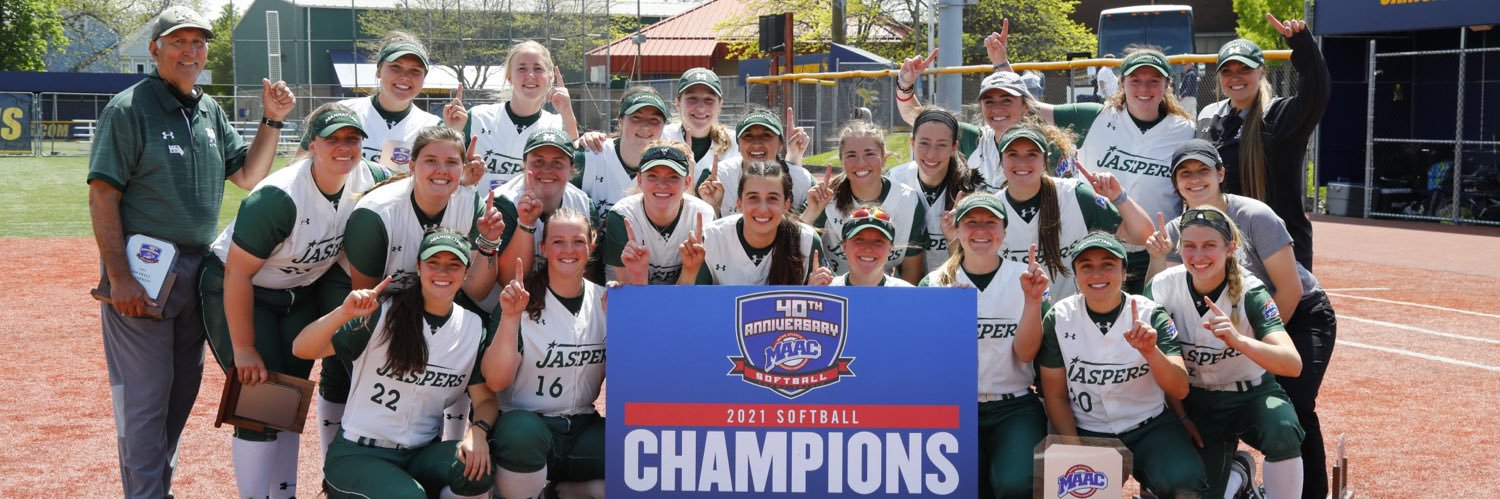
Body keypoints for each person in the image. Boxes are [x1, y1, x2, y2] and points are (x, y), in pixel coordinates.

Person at [86, 6, 292, 497]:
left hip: (196, 270)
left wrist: (271, 120)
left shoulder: (209, 111)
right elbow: (102, 195)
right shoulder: (129, 108)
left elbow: (248, 176)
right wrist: (119, 276)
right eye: (179, 41)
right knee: (145, 400)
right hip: (143, 268)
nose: (190, 51)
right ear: (156, 48)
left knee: (179, 397)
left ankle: (158, 489)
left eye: (198, 43)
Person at [199, 104, 381, 499]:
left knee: (290, 393)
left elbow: (410, 182)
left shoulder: (367, 176)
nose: (344, 148)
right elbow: (237, 273)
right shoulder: (278, 197)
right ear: (312, 145)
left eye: (352, 139)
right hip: (241, 287)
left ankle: (283, 493)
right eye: (333, 139)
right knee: (258, 397)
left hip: (297, 290)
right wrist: (244, 348)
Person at [1147, 139, 1337, 499]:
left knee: (1291, 408)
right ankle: (1237, 476)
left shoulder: (1254, 216)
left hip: (1296, 310)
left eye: (1203, 170)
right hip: (1230, 326)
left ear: (1220, 173)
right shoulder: (1174, 231)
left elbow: (1289, 290)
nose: (1194, 179)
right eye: (1184, 174)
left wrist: (1243, 347)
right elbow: (1164, 302)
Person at [293, 230, 496, 499]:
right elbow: (302, 348)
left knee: (476, 470)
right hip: (359, 453)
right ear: (418, 267)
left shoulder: (471, 327)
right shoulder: (382, 313)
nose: (443, 272)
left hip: (421, 452)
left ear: (466, 272)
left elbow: (485, 401)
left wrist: (477, 434)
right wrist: (343, 313)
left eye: (454, 265)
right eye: (433, 263)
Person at [339, 126, 506, 443]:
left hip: (434, 296)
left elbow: (477, 290)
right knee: (345, 367)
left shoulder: (470, 204)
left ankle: (452, 443)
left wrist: (488, 242)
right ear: (412, 165)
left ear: (464, 168)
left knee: (457, 346)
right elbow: (363, 302)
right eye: (431, 160)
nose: (442, 171)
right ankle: (346, 451)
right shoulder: (375, 214)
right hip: (376, 299)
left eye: (451, 162)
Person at [1144, 206, 1306, 499]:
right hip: (1195, 401)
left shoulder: (1250, 291)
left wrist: (1239, 340)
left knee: (1282, 429)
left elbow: (1292, 364)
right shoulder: (1164, 287)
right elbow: (1155, 360)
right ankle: (1239, 476)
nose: (1198, 256)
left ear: (1230, 248)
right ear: (1179, 249)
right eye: (1190, 246)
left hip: (1250, 395)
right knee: (1196, 491)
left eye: (1209, 246)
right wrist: (1180, 417)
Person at [1037, 232, 1209, 498]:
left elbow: (1180, 388)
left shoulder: (1151, 314)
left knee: (1186, 486)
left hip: (1150, 428)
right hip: (1089, 432)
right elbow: (1055, 395)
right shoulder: (1059, 317)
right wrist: (1075, 451)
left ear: (1124, 271)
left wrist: (1151, 352)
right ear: (1076, 274)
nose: (1097, 274)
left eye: (1108, 264)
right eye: (1086, 266)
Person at [918, 194, 1050, 498]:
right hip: (953, 406)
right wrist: (948, 321)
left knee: (1015, 485)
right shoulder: (935, 284)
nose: (981, 230)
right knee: (957, 486)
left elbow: (1026, 354)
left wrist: (1032, 301)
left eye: (990, 222)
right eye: (971, 222)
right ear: (957, 230)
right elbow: (928, 364)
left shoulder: (1026, 278)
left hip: (1013, 405)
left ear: (1003, 231)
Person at [483, 209, 607, 499]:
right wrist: (511, 317)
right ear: (544, 247)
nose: (568, 250)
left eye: (577, 241)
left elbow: (628, 383)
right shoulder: (519, 299)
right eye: (558, 241)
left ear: (591, 245)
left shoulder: (605, 300)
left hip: (581, 427)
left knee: (637, 453)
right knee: (520, 431)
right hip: (528, 425)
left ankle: (564, 492)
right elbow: (496, 382)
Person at [1198, 13, 1329, 272]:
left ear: (1261, 71)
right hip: (1224, 248)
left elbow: (1317, 90)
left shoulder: (1280, 115)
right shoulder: (1208, 116)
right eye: (1227, 71)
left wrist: (1302, 44)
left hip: (1278, 250)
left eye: (1245, 69)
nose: (1236, 77)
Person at [994, 124, 1151, 299]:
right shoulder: (990, 209)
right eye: (1012, 154)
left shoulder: (1076, 195)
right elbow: (965, 273)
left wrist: (1119, 197)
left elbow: (1144, 236)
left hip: (1072, 318)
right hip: (1013, 320)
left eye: (1032, 154)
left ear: (1045, 161)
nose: (1022, 162)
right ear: (1001, 161)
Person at [802, 120, 927, 283]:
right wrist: (811, 212)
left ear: (884, 158)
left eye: (869, 154)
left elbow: (911, 269)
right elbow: (796, 247)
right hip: (836, 294)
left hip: (884, 296)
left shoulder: (907, 200)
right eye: (851, 155)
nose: (861, 163)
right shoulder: (826, 197)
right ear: (841, 160)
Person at [446, 40, 581, 192]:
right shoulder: (478, 117)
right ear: (509, 77)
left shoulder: (556, 125)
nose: (530, 75)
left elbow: (573, 169)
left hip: (531, 214)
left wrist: (567, 112)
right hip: (477, 212)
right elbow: (446, 165)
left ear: (550, 77)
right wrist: (452, 132)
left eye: (538, 69)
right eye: (522, 68)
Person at [682, 161, 828, 285]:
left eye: (772, 198)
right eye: (753, 197)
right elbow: (691, 306)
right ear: (739, 203)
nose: (763, 209)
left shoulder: (807, 240)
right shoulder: (711, 238)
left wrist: (814, 291)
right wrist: (689, 271)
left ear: (786, 204)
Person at [886, 108, 988, 272]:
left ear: (954, 147)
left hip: (956, 285)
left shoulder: (973, 188)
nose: (932, 154)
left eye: (941, 145)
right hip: (906, 287)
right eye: (924, 143)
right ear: (912, 143)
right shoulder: (894, 180)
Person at [492, 128, 599, 283]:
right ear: (524, 164)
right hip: (504, 303)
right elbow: (509, 280)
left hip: (559, 298)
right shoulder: (503, 202)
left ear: (571, 168)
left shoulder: (584, 205)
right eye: (538, 161)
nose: (547, 170)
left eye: (557, 162)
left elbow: (587, 275)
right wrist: (525, 224)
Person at [603, 142, 716, 285]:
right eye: (652, 176)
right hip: (633, 298)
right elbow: (629, 299)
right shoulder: (622, 215)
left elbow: (691, 297)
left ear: (687, 182)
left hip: (682, 300)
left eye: (673, 177)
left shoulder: (704, 216)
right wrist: (638, 276)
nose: (662, 184)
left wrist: (690, 270)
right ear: (639, 180)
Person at [338, 32, 442, 173]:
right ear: (379, 71)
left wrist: (456, 133)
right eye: (396, 67)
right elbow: (304, 164)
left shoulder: (434, 127)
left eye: (415, 71)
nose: (405, 76)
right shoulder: (341, 112)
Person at [695, 109, 814, 218]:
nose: (757, 144)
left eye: (766, 135)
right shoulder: (716, 178)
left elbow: (807, 236)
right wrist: (714, 208)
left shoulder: (804, 181)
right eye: (748, 136)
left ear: (780, 144)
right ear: (738, 145)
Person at [575, 88, 670, 222]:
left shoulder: (670, 166)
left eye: (654, 119)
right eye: (636, 117)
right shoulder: (589, 155)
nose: (645, 126)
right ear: (620, 121)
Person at [660, 67, 739, 181]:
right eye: (692, 98)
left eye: (709, 99)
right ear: (677, 103)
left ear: (720, 104)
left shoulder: (736, 143)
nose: (701, 108)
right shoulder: (661, 138)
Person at [828, 205, 916, 287]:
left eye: (878, 241)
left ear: (890, 248)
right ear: (844, 246)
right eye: (859, 240)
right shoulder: (827, 292)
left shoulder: (909, 296)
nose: (868, 249)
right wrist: (815, 292)